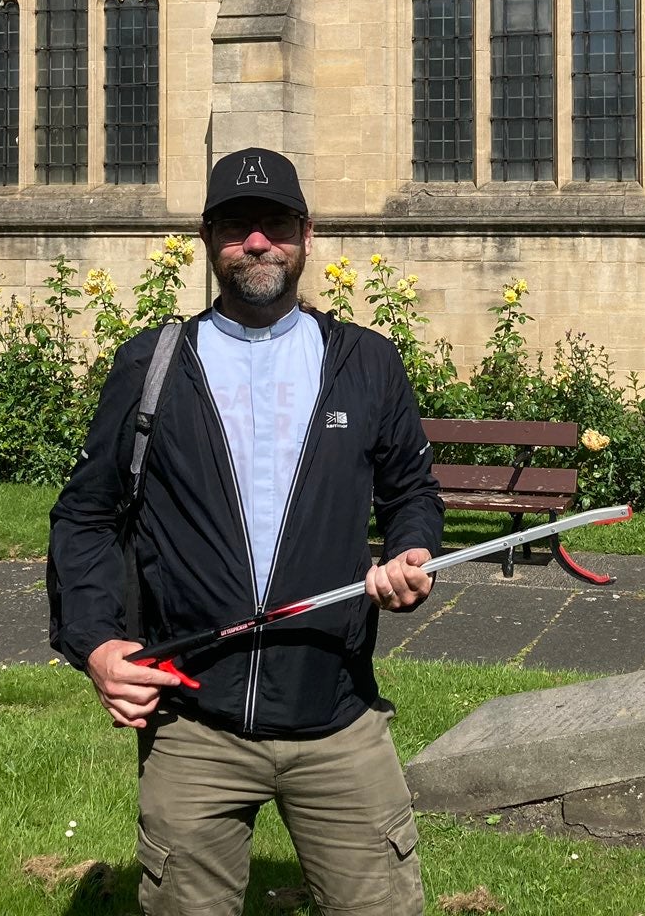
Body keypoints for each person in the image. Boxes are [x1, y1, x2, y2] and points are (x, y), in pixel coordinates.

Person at [50, 146, 444, 916]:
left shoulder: (366, 363)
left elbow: (412, 492)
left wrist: (412, 550)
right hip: (194, 726)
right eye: (237, 226)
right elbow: (84, 518)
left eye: (274, 224)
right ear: (207, 237)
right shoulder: (151, 366)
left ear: (306, 233)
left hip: (338, 719)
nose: (256, 242)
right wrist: (96, 646)